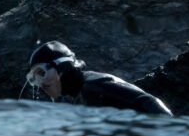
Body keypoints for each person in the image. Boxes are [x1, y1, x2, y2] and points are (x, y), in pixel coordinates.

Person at [24, 41, 172, 115]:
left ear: (62, 67)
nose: (40, 84)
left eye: (41, 73)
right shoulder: (80, 93)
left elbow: (148, 101)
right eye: (33, 79)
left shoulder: (93, 85)